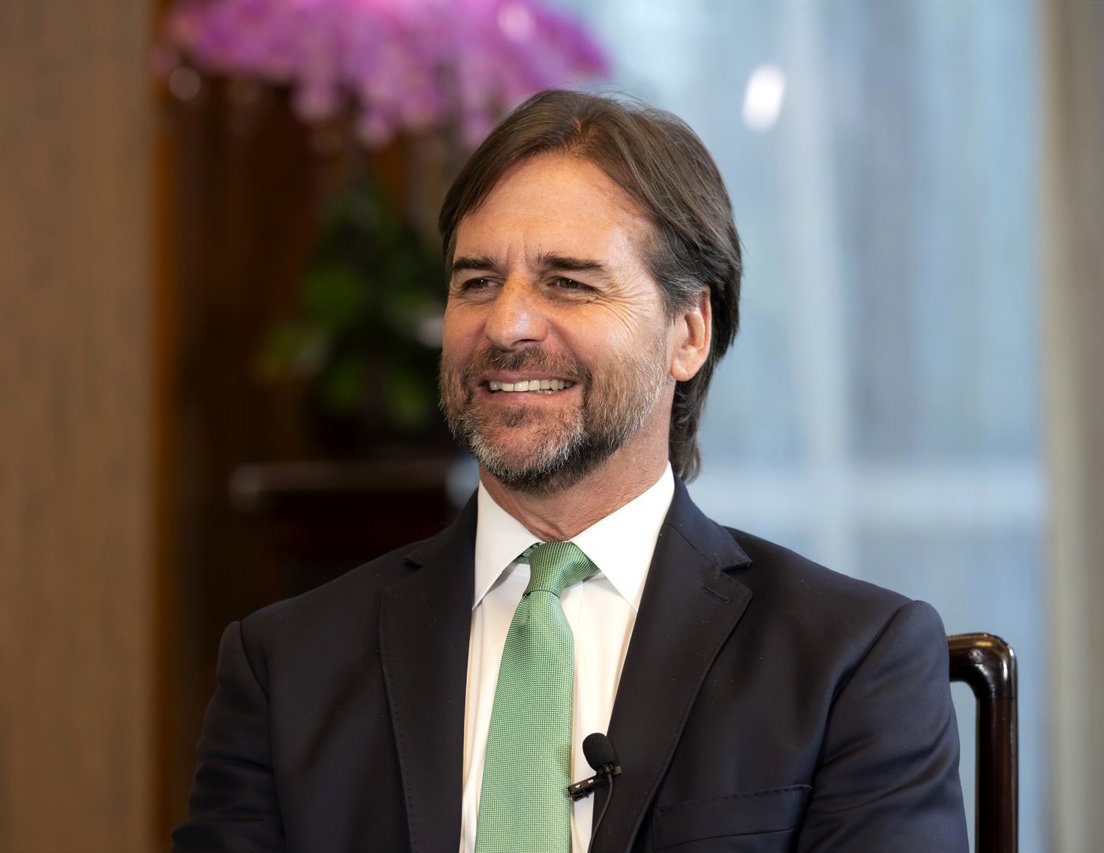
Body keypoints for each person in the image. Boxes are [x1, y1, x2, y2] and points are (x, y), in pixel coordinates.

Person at [173, 90, 968, 853]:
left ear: (688, 332)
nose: (508, 324)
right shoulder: (286, 667)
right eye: (477, 282)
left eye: (568, 283)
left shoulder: (851, 662)